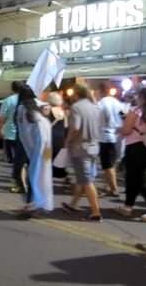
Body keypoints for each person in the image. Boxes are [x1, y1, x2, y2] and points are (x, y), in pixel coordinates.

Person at [116, 87, 146, 224]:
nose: (136, 98)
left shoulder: (136, 111)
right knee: (133, 178)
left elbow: (126, 131)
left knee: (141, 181)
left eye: (137, 96)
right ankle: (128, 206)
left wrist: (120, 128)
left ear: (142, 98)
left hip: (135, 147)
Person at [61, 84, 103, 222]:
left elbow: (75, 127)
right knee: (83, 177)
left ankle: (96, 212)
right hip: (94, 145)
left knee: (86, 179)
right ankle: (73, 204)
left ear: (77, 94)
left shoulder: (76, 107)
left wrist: (67, 141)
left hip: (80, 147)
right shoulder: (96, 107)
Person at [16, 86, 53, 218]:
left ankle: (35, 204)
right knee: (44, 173)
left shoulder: (22, 109)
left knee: (35, 174)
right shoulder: (38, 107)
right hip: (47, 145)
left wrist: (30, 150)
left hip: (37, 146)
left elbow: (24, 132)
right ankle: (40, 204)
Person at [0, 81, 27, 193]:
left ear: (12, 88)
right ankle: (24, 182)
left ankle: (20, 184)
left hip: (11, 135)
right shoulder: (31, 99)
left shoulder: (9, 100)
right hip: (27, 135)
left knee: (17, 162)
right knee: (25, 161)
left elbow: (1, 119)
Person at [97, 82, 124, 196]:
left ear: (101, 90)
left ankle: (114, 188)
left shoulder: (101, 104)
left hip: (105, 135)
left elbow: (97, 120)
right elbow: (124, 116)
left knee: (107, 164)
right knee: (112, 162)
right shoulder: (118, 103)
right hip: (117, 135)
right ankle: (108, 185)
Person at [47, 92, 68, 180]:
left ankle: (47, 174)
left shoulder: (48, 110)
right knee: (58, 158)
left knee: (47, 158)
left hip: (49, 137)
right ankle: (60, 173)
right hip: (60, 137)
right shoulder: (62, 111)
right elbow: (66, 125)